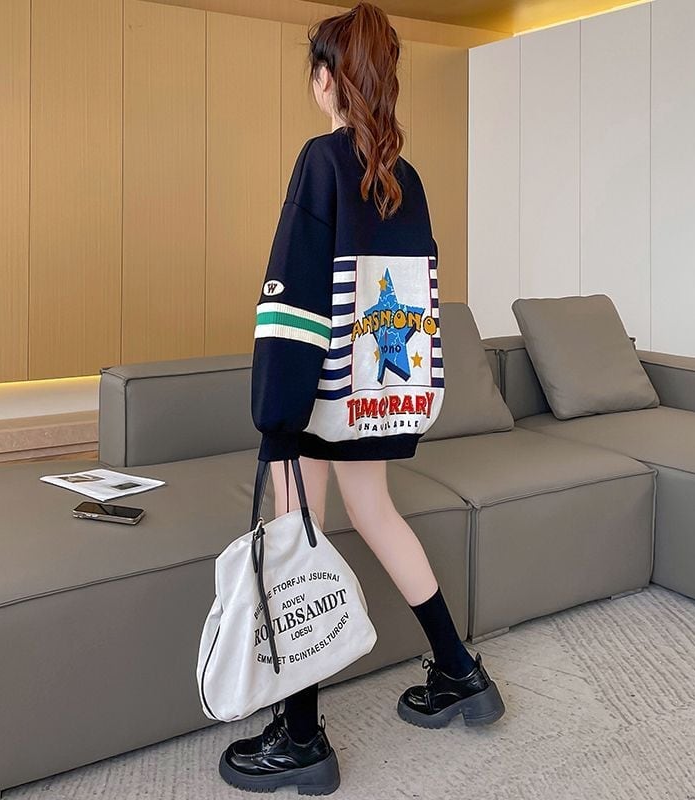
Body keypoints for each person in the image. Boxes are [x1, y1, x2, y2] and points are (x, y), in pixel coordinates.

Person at [218, 3, 505, 794]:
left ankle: (301, 736)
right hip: (380, 391)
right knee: (375, 514)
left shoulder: (320, 162)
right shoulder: (406, 178)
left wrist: (276, 414)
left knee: (294, 539)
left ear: (326, 79)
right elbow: (414, 295)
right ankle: (460, 671)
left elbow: (294, 297)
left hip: (317, 393)